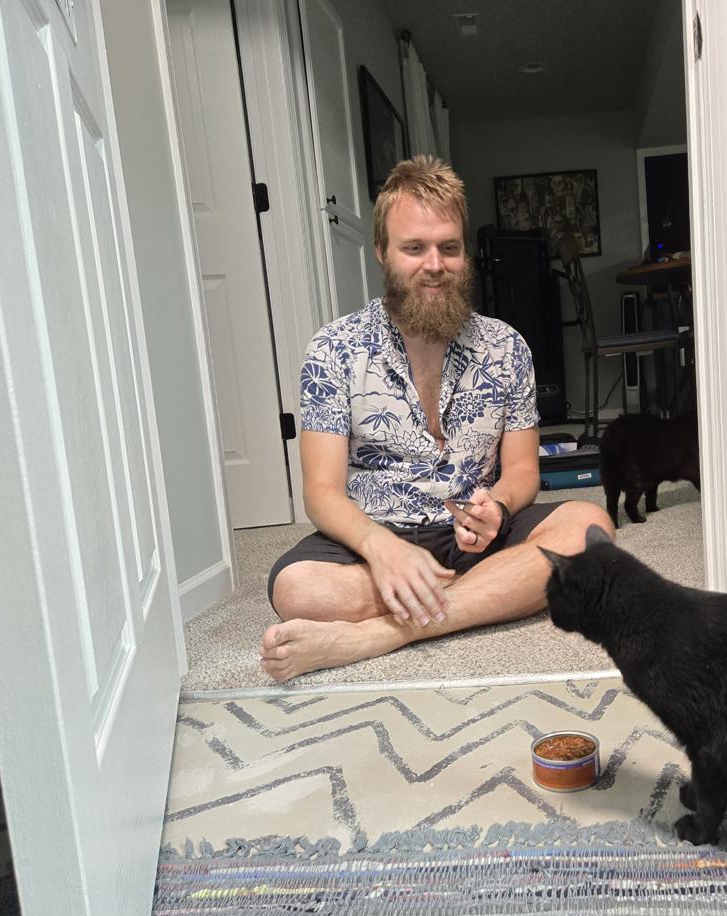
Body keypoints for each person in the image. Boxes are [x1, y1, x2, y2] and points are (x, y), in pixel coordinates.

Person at [261, 156, 614, 682]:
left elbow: (522, 472)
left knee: (591, 532)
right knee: (299, 589)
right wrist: (382, 550)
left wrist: (497, 505)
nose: (435, 264)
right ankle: (483, 596)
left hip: (475, 537)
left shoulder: (506, 347)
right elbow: (321, 491)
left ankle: (379, 634)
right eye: (414, 248)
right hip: (374, 533)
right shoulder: (333, 349)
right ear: (381, 252)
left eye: (449, 247)